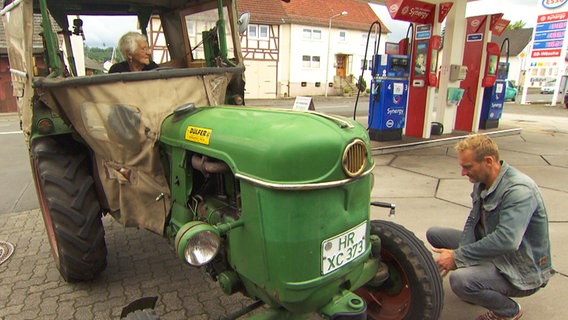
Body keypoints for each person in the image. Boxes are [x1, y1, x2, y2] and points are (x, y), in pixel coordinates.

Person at [427, 135, 552, 320]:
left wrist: (457, 257)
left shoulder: (519, 190)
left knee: (460, 281)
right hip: (496, 250)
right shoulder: (482, 181)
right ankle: (479, 282)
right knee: (435, 234)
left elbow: (507, 241)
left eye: (467, 167)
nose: (462, 172)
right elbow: (473, 219)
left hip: (520, 267)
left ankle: (509, 310)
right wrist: (462, 255)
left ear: (488, 161)